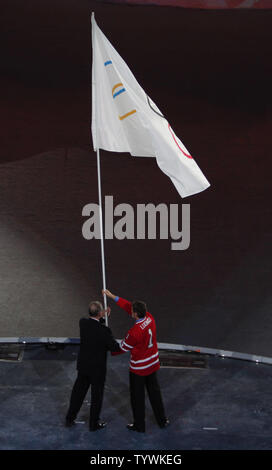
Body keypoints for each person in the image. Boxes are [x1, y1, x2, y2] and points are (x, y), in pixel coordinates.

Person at [103, 289, 169, 433]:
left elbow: (122, 348)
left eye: (132, 311)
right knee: (154, 393)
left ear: (135, 314)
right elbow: (128, 306)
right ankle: (162, 420)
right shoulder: (150, 318)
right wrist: (112, 296)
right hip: (152, 364)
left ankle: (139, 425)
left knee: (137, 397)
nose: (130, 311)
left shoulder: (134, 332)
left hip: (139, 369)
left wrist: (107, 342)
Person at [65, 300, 121, 431]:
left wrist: (102, 316)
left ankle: (69, 418)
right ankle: (93, 424)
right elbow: (114, 348)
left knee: (78, 393)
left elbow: (93, 324)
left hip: (84, 366)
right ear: (100, 313)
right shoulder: (104, 331)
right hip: (97, 369)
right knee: (97, 396)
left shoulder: (83, 323)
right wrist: (104, 321)